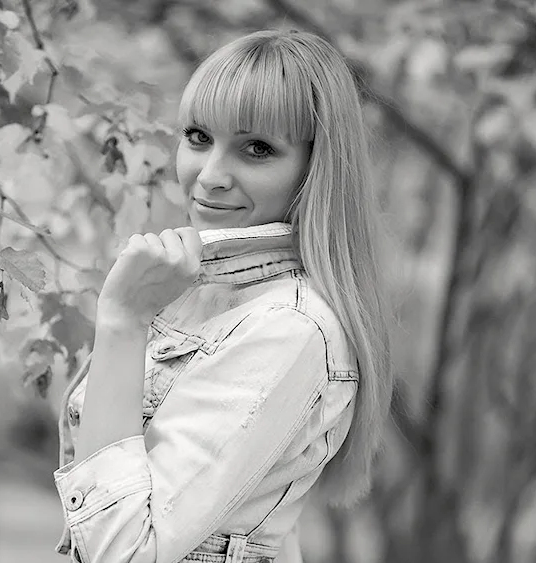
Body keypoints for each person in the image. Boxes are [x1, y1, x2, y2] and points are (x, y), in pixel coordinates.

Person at [53, 29, 393, 563]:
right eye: (197, 137)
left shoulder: (288, 327)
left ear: (315, 168)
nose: (209, 176)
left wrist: (121, 323)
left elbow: (121, 551)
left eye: (257, 149)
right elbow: (263, 524)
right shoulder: (197, 293)